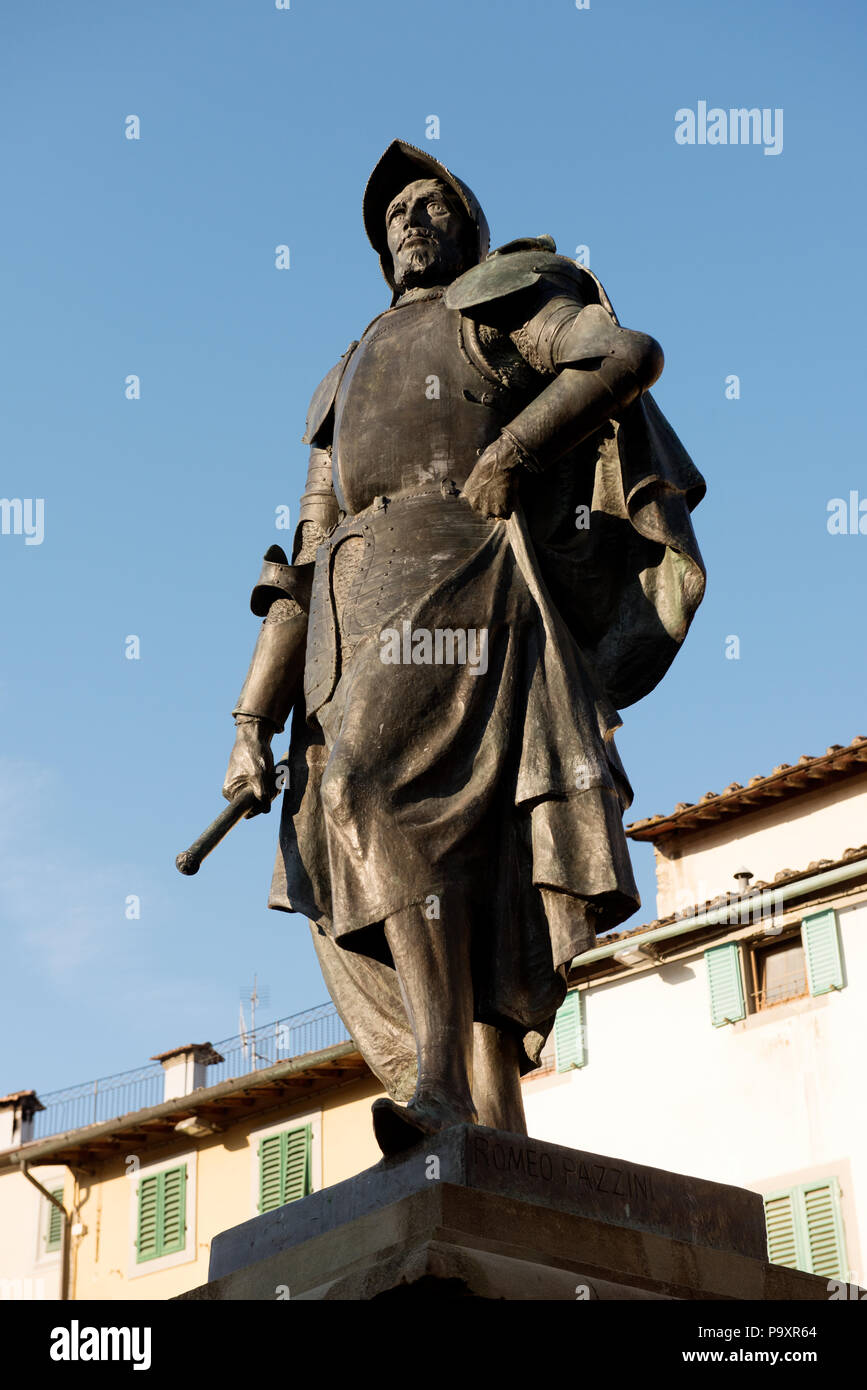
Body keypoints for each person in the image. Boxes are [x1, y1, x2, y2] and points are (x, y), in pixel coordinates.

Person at [222, 140, 706, 1156]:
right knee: (372, 837)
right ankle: (493, 1126)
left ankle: (438, 1085)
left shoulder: (502, 296)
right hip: (352, 618)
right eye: (394, 212)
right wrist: (250, 722)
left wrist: (516, 448)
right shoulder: (344, 375)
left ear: (468, 225)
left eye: (431, 203)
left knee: (362, 786)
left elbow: (624, 354)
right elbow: (303, 564)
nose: (409, 220)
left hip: (466, 571)